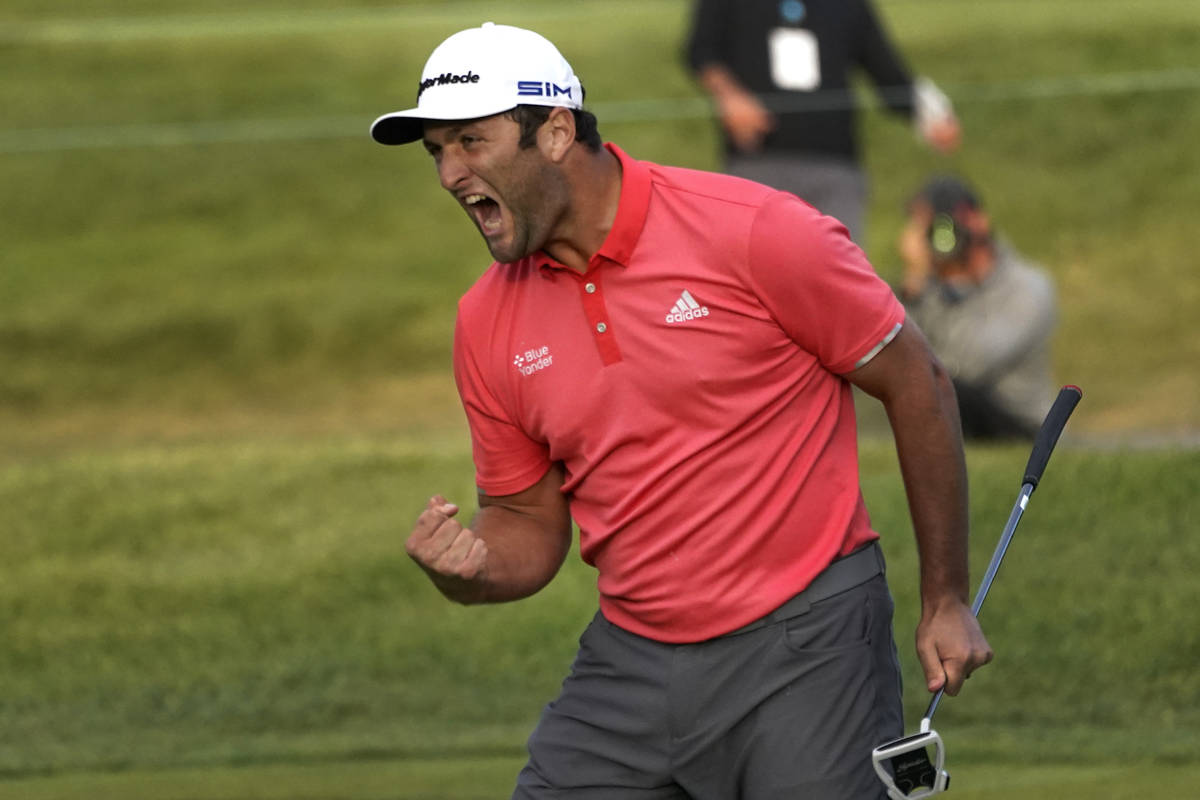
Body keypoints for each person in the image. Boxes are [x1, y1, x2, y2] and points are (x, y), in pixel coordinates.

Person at [371, 22, 992, 799]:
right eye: (438, 151)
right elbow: (526, 521)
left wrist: (945, 598)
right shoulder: (485, 320)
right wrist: (476, 568)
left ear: (556, 131)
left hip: (809, 644)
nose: (451, 174)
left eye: (471, 141)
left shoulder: (755, 230)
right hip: (632, 661)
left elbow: (918, 383)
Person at [685, 0, 961, 245]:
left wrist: (932, 115)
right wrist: (729, 96)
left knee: (839, 277)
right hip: (756, 162)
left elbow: (886, 70)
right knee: (753, 276)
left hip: (834, 166)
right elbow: (702, 51)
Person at [897, 175, 1057, 440]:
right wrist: (914, 289)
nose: (935, 240)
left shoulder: (1028, 286)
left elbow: (971, 362)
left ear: (976, 220)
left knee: (945, 388)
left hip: (1020, 426)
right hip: (956, 420)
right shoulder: (926, 288)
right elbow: (897, 357)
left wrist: (950, 287)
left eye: (940, 227)